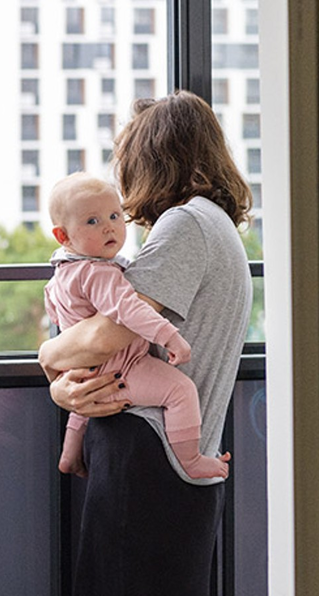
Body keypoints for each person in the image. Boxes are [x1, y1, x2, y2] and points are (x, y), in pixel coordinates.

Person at [39, 90, 252, 596]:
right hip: (178, 457)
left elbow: (106, 336)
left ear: (151, 158)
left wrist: (47, 359)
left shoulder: (185, 224)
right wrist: (63, 387)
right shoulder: (216, 225)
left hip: (149, 453)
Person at [43, 172, 230, 480]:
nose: (109, 226)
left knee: (85, 403)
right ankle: (191, 459)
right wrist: (170, 337)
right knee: (180, 390)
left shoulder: (60, 275)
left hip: (83, 373)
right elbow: (129, 310)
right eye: (92, 221)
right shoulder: (99, 273)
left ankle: (69, 456)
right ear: (63, 236)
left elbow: (56, 316)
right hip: (122, 370)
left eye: (115, 215)